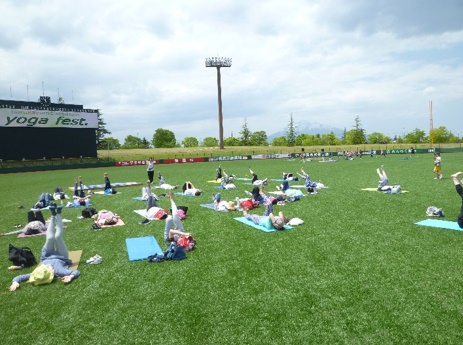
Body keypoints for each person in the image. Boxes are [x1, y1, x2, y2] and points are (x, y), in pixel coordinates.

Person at [9, 205, 80, 291]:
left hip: (46, 256)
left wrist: (15, 282)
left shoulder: (37, 273)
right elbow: (76, 272)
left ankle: (53, 215)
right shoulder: (59, 271)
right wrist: (70, 277)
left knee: (50, 238)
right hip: (62, 256)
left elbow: (19, 277)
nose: (47, 267)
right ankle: (59, 214)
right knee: (58, 237)